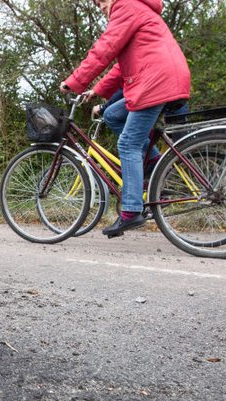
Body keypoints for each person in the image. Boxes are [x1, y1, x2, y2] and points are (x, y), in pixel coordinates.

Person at [60, 0, 191, 237]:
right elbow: (121, 68)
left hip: (155, 82)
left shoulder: (126, 6)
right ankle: (153, 162)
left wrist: (74, 81)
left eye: (102, 1)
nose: (101, 6)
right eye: (97, 4)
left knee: (128, 143)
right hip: (163, 78)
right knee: (112, 114)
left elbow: (105, 48)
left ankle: (131, 211)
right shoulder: (138, 10)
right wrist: (96, 90)